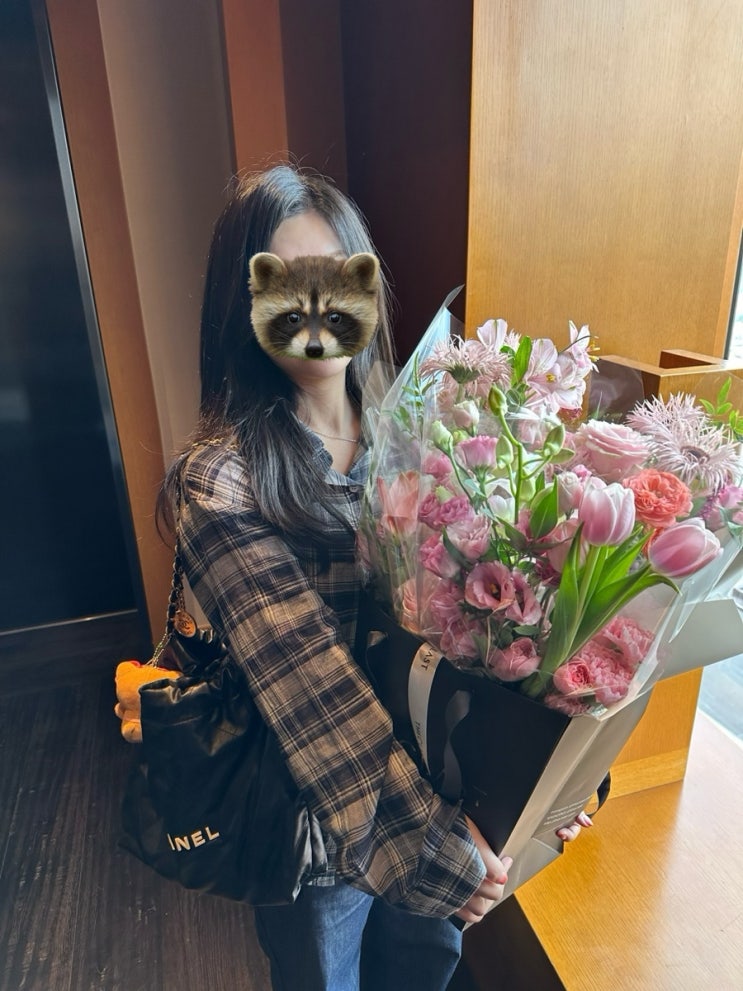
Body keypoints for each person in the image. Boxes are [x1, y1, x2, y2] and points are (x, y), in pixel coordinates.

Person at [159, 164, 589, 991]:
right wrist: (439, 856)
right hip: (319, 834)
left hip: (446, 802)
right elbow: (311, 694)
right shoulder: (221, 478)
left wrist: (554, 785)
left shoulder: (432, 430)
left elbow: (502, 624)